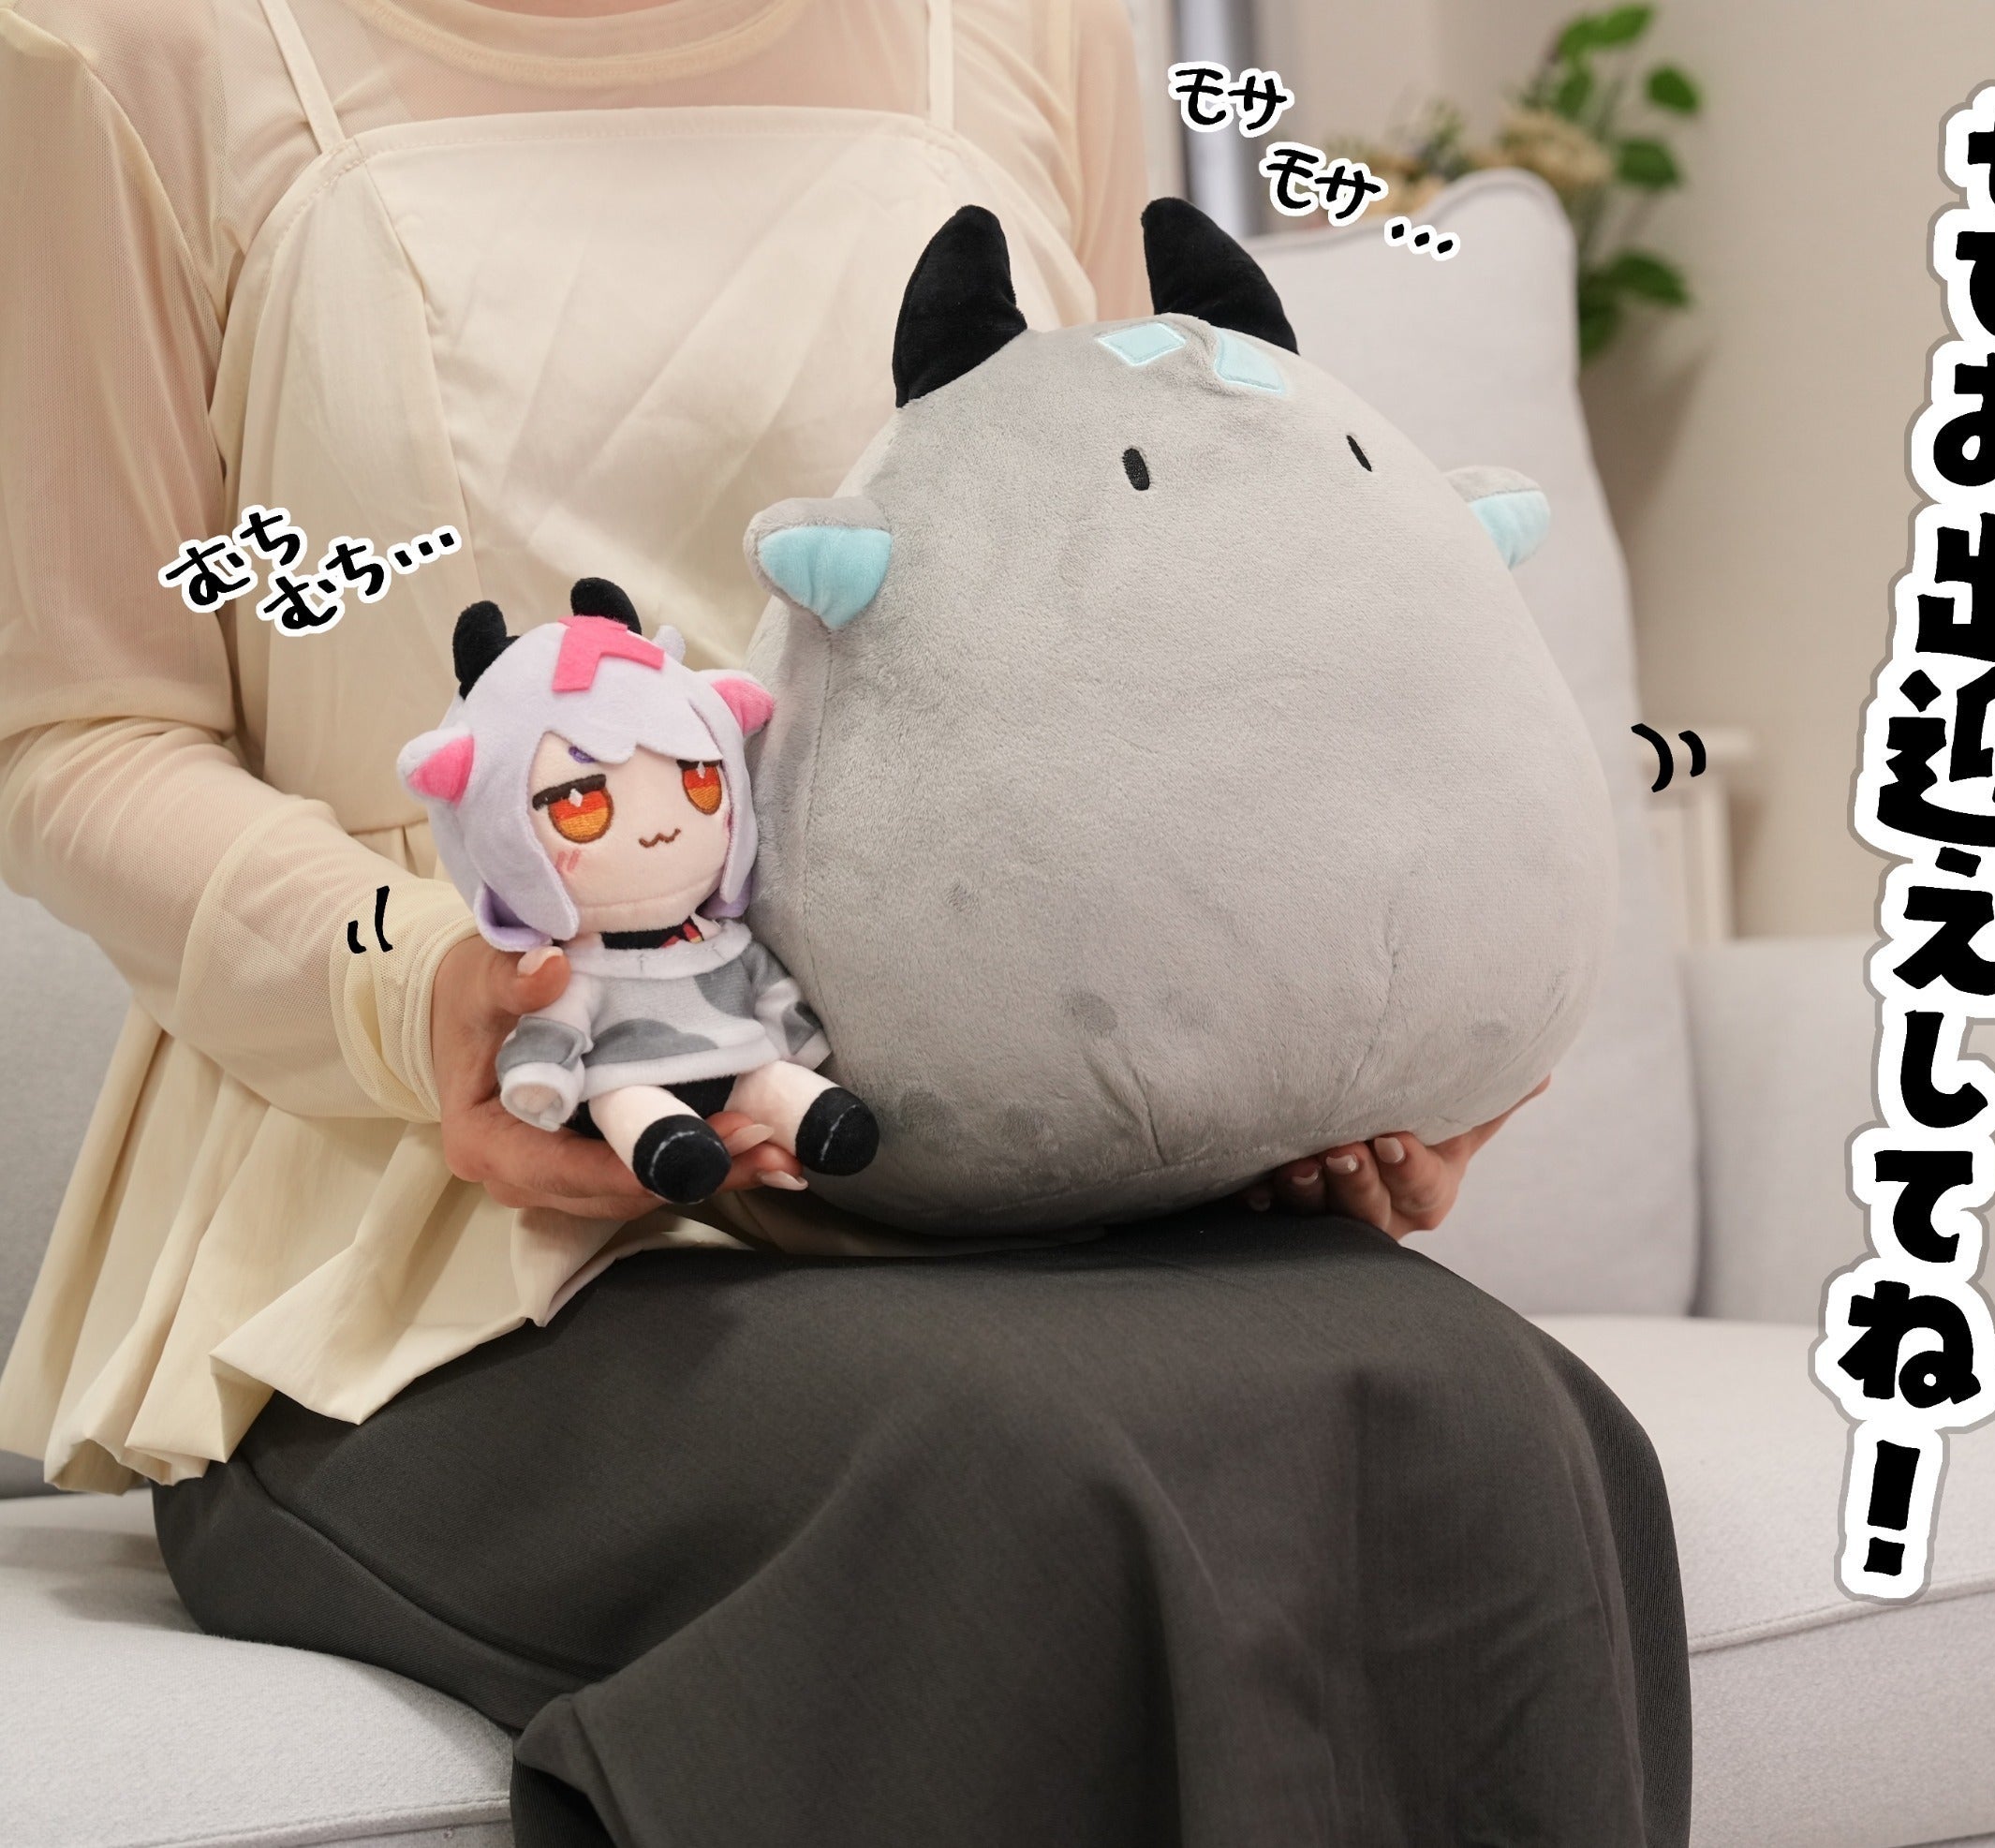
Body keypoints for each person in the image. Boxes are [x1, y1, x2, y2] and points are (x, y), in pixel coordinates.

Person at [0, 1, 1690, 1842]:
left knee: (1488, 1422)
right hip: (438, 1254)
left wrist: (1303, 1042)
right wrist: (425, 993)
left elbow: (1159, 576)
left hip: (1015, 1169)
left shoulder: (1032, 20)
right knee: (1015, 1484)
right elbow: (75, 735)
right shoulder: (118, 47)